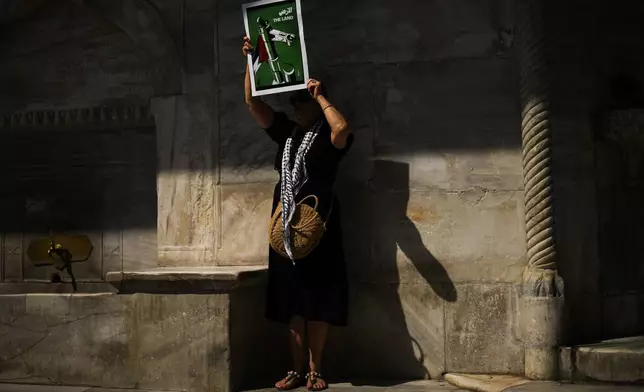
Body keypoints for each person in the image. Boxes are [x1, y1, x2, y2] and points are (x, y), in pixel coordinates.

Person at [242, 36, 353, 391]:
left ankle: (316, 369)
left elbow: (342, 128)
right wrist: (250, 61)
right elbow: (251, 102)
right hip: (285, 226)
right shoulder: (287, 134)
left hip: (318, 226)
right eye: (294, 101)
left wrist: (321, 97)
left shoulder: (326, 137)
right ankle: (295, 369)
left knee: (318, 298)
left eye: (300, 100)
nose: (294, 106)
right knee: (292, 299)